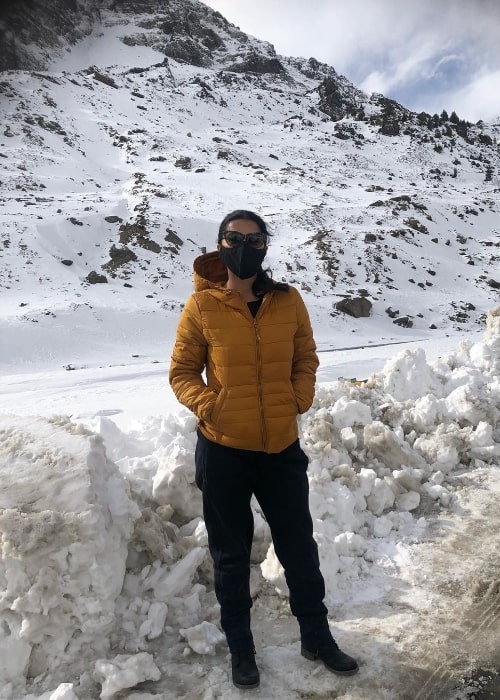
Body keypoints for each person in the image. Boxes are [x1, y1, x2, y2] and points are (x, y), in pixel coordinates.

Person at [169, 210, 359, 689]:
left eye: (255, 239)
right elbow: (182, 373)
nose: (244, 246)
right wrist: (210, 406)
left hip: (281, 449)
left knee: (299, 548)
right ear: (220, 244)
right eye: (235, 238)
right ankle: (242, 650)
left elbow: (305, 357)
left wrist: (299, 397)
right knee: (230, 556)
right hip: (224, 450)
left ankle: (316, 636)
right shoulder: (203, 307)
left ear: (266, 247)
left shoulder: (287, 300)